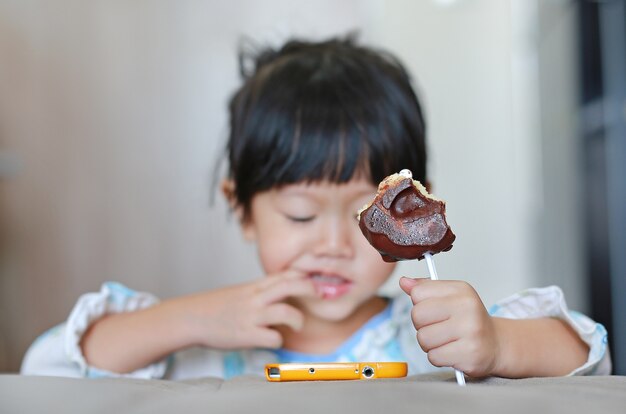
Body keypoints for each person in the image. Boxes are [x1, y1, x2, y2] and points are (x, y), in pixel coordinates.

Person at [21, 36, 610, 380]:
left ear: (412, 206)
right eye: (301, 215)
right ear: (243, 208)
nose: (333, 244)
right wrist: (192, 320)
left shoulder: (432, 338)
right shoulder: (212, 350)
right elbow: (47, 371)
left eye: (364, 214)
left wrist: (498, 345)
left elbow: (590, 359)